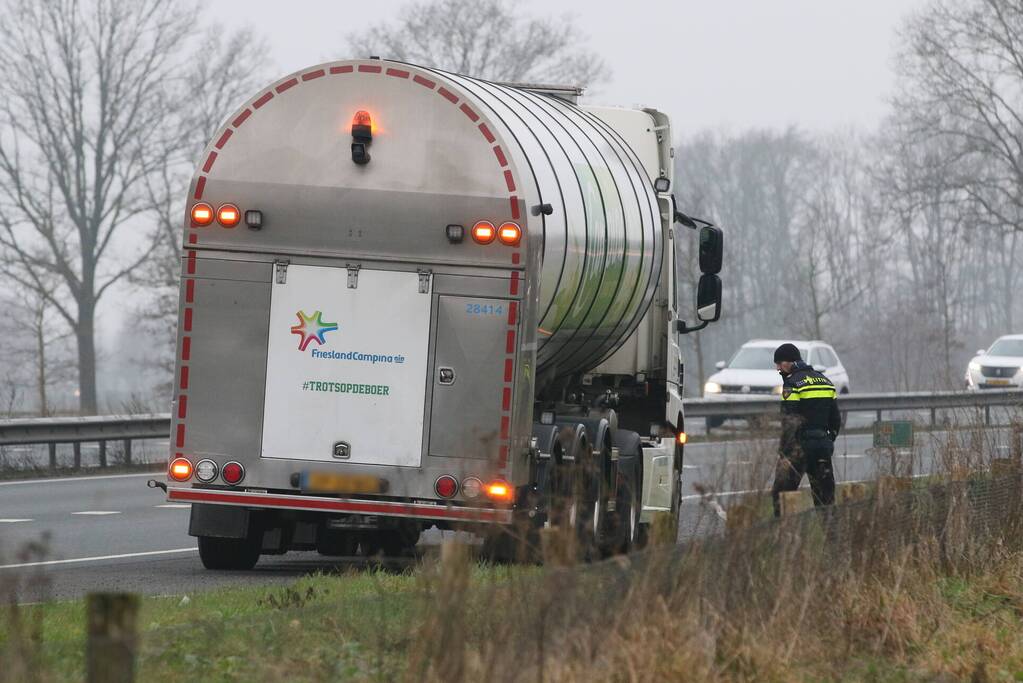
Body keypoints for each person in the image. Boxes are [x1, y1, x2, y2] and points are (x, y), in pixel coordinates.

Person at [770, 343, 841, 517]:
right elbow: (836, 420)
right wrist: (827, 440)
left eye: (780, 363)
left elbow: (790, 421)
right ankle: (833, 539)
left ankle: (785, 537)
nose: (778, 368)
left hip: (799, 449)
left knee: (782, 496)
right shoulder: (826, 382)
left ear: (791, 362)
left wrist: (784, 452)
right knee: (825, 499)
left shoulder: (792, 384)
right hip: (822, 446)